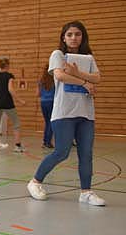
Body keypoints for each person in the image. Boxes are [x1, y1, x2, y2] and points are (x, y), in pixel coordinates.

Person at [27, 20, 105, 206]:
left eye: (77, 34)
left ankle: (86, 192)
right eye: (69, 34)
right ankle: (35, 182)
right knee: (62, 152)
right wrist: (85, 82)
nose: (73, 38)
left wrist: (77, 73)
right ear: (63, 37)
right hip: (63, 112)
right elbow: (60, 75)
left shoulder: (89, 58)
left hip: (86, 113)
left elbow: (97, 78)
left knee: (86, 154)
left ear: (83, 37)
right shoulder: (58, 55)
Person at [0, 58, 25, 152]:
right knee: (16, 124)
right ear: (7, 65)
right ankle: (17, 146)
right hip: (8, 103)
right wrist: (20, 100)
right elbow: (10, 89)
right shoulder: (9, 76)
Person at [38, 66, 55, 149]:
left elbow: (38, 93)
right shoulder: (54, 80)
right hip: (51, 102)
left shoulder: (41, 81)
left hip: (43, 102)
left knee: (47, 122)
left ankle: (45, 141)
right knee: (51, 122)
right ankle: (47, 142)